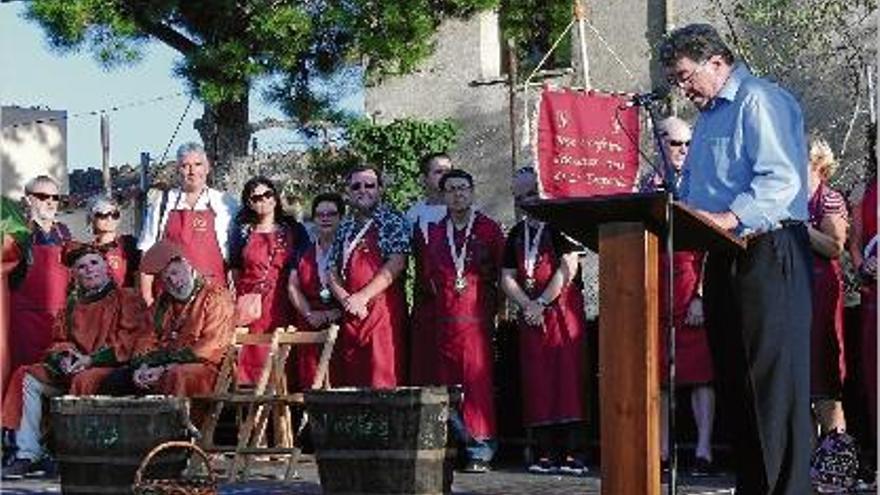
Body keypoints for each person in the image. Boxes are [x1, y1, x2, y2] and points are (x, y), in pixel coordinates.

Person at [659, 23, 813, 494]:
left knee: (771, 391)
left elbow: (781, 180)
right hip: (723, 257)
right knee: (738, 388)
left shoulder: (759, 101)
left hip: (768, 252)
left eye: (686, 77)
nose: (683, 90)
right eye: (677, 81)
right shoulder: (707, 120)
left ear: (717, 63)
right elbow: (696, 192)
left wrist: (727, 217)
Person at [1, 243, 147, 479]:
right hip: (73, 368)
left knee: (85, 378)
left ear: (106, 267)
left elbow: (129, 342)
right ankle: (27, 454)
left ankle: (76, 454)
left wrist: (89, 360)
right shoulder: (71, 305)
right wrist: (65, 357)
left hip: (111, 369)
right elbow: (60, 340)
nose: (89, 270)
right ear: (75, 274)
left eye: (94, 263)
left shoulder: (126, 298)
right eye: (81, 267)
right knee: (26, 376)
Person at [499, 167, 589, 476]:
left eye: (533, 193)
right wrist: (526, 305)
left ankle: (574, 453)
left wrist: (540, 302)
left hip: (562, 313)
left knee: (569, 382)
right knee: (537, 384)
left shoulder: (564, 225)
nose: (528, 200)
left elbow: (568, 268)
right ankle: (543, 453)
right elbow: (507, 276)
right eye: (521, 196)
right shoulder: (515, 234)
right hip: (531, 317)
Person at [422, 169, 505, 473]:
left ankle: (482, 448)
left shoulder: (488, 229)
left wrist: (497, 313)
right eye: (451, 189)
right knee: (449, 387)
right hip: (445, 324)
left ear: (472, 192)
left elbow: (501, 273)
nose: (458, 194)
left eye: (463, 188)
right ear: (443, 196)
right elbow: (431, 278)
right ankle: (458, 444)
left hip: (477, 321)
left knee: (477, 385)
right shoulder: (435, 232)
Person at [648, 117, 717, 475]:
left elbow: (711, 244)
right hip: (655, 289)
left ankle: (704, 451)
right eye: (675, 144)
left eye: (688, 144)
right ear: (658, 142)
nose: (683, 151)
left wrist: (701, 296)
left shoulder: (701, 184)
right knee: (658, 377)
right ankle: (662, 452)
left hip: (691, 286)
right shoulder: (647, 186)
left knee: (700, 378)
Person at [99, 240, 234, 401]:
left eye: (175, 273)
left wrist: (164, 367)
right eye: (166, 278)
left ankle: (177, 426)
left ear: (187, 265)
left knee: (175, 376)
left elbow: (212, 346)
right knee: (116, 380)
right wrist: (142, 367)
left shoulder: (215, 297)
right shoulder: (162, 303)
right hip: (163, 366)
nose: (174, 281)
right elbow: (145, 338)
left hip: (206, 369)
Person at [327, 165, 409, 388]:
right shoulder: (345, 227)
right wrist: (347, 300)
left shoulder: (392, 221)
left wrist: (362, 297)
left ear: (380, 189)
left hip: (383, 314)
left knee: (383, 381)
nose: (363, 190)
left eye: (369, 185)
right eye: (356, 186)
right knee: (354, 383)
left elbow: (396, 263)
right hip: (352, 314)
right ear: (348, 192)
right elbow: (331, 270)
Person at [229, 177, 310, 385]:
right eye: (256, 198)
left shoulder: (294, 229)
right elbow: (236, 268)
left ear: (275, 197)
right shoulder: (242, 231)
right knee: (253, 360)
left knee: (286, 359)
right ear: (249, 203)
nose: (263, 201)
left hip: (285, 300)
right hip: (253, 305)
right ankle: (254, 410)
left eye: (267, 195)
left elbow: (306, 264)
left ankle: (287, 414)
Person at [137, 142, 238, 306]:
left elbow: (237, 258)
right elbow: (147, 254)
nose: (192, 171)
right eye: (185, 166)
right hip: (171, 298)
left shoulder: (225, 203)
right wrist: (148, 297)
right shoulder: (163, 203)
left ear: (207, 168)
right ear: (178, 170)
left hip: (214, 298)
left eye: (198, 164)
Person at [7, 176, 71, 379]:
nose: (50, 202)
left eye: (55, 197)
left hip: (59, 320)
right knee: (24, 378)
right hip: (24, 321)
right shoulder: (16, 233)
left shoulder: (64, 233)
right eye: (43, 196)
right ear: (28, 200)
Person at [287, 193, 345, 390]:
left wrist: (333, 314)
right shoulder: (302, 251)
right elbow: (293, 286)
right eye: (320, 214)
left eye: (331, 214)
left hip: (342, 325)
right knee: (310, 381)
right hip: (310, 322)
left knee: (341, 382)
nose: (325, 218)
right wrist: (309, 313)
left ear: (341, 218)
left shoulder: (349, 250)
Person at [408, 153, 453, 385]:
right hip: (426, 304)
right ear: (424, 179)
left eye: (448, 170)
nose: (445, 176)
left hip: (457, 306)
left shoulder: (468, 213)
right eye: (438, 172)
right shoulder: (413, 215)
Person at [87, 195, 140, 288]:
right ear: (91, 218)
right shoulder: (87, 251)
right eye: (102, 215)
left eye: (114, 214)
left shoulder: (129, 244)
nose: (109, 219)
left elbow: (139, 276)